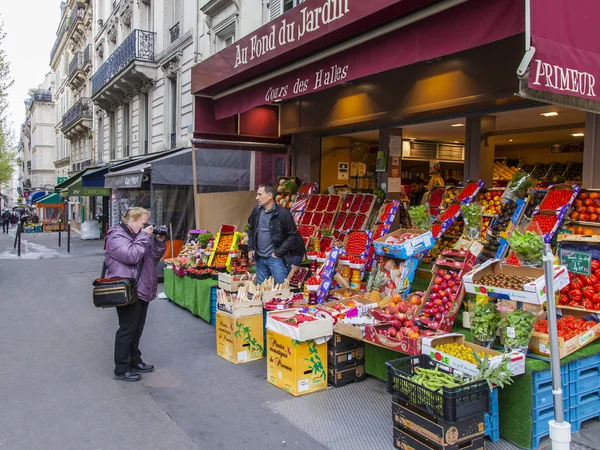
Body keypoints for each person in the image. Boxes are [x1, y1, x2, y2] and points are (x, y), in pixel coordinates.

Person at [104, 207, 166, 382]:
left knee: (137, 327)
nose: (148, 227)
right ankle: (121, 369)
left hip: (142, 287)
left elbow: (152, 257)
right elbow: (131, 256)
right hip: (127, 288)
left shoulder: (138, 237)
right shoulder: (116, 237)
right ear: (132, 221)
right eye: (144, 223)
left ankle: (134, 360)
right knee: (127, 329)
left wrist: (159, 241)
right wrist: (144, 237)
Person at [247, 183, 305, 285]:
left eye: (260, 194)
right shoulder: (256, 211)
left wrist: (277, 253)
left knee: (280, 289)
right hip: (260, 258)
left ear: (270, 196)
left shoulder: (283, 214)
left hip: (275, 258)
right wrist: (251, 248)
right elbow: (251, 228)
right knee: (262, 288)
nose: (257, 198)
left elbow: (293, 235)